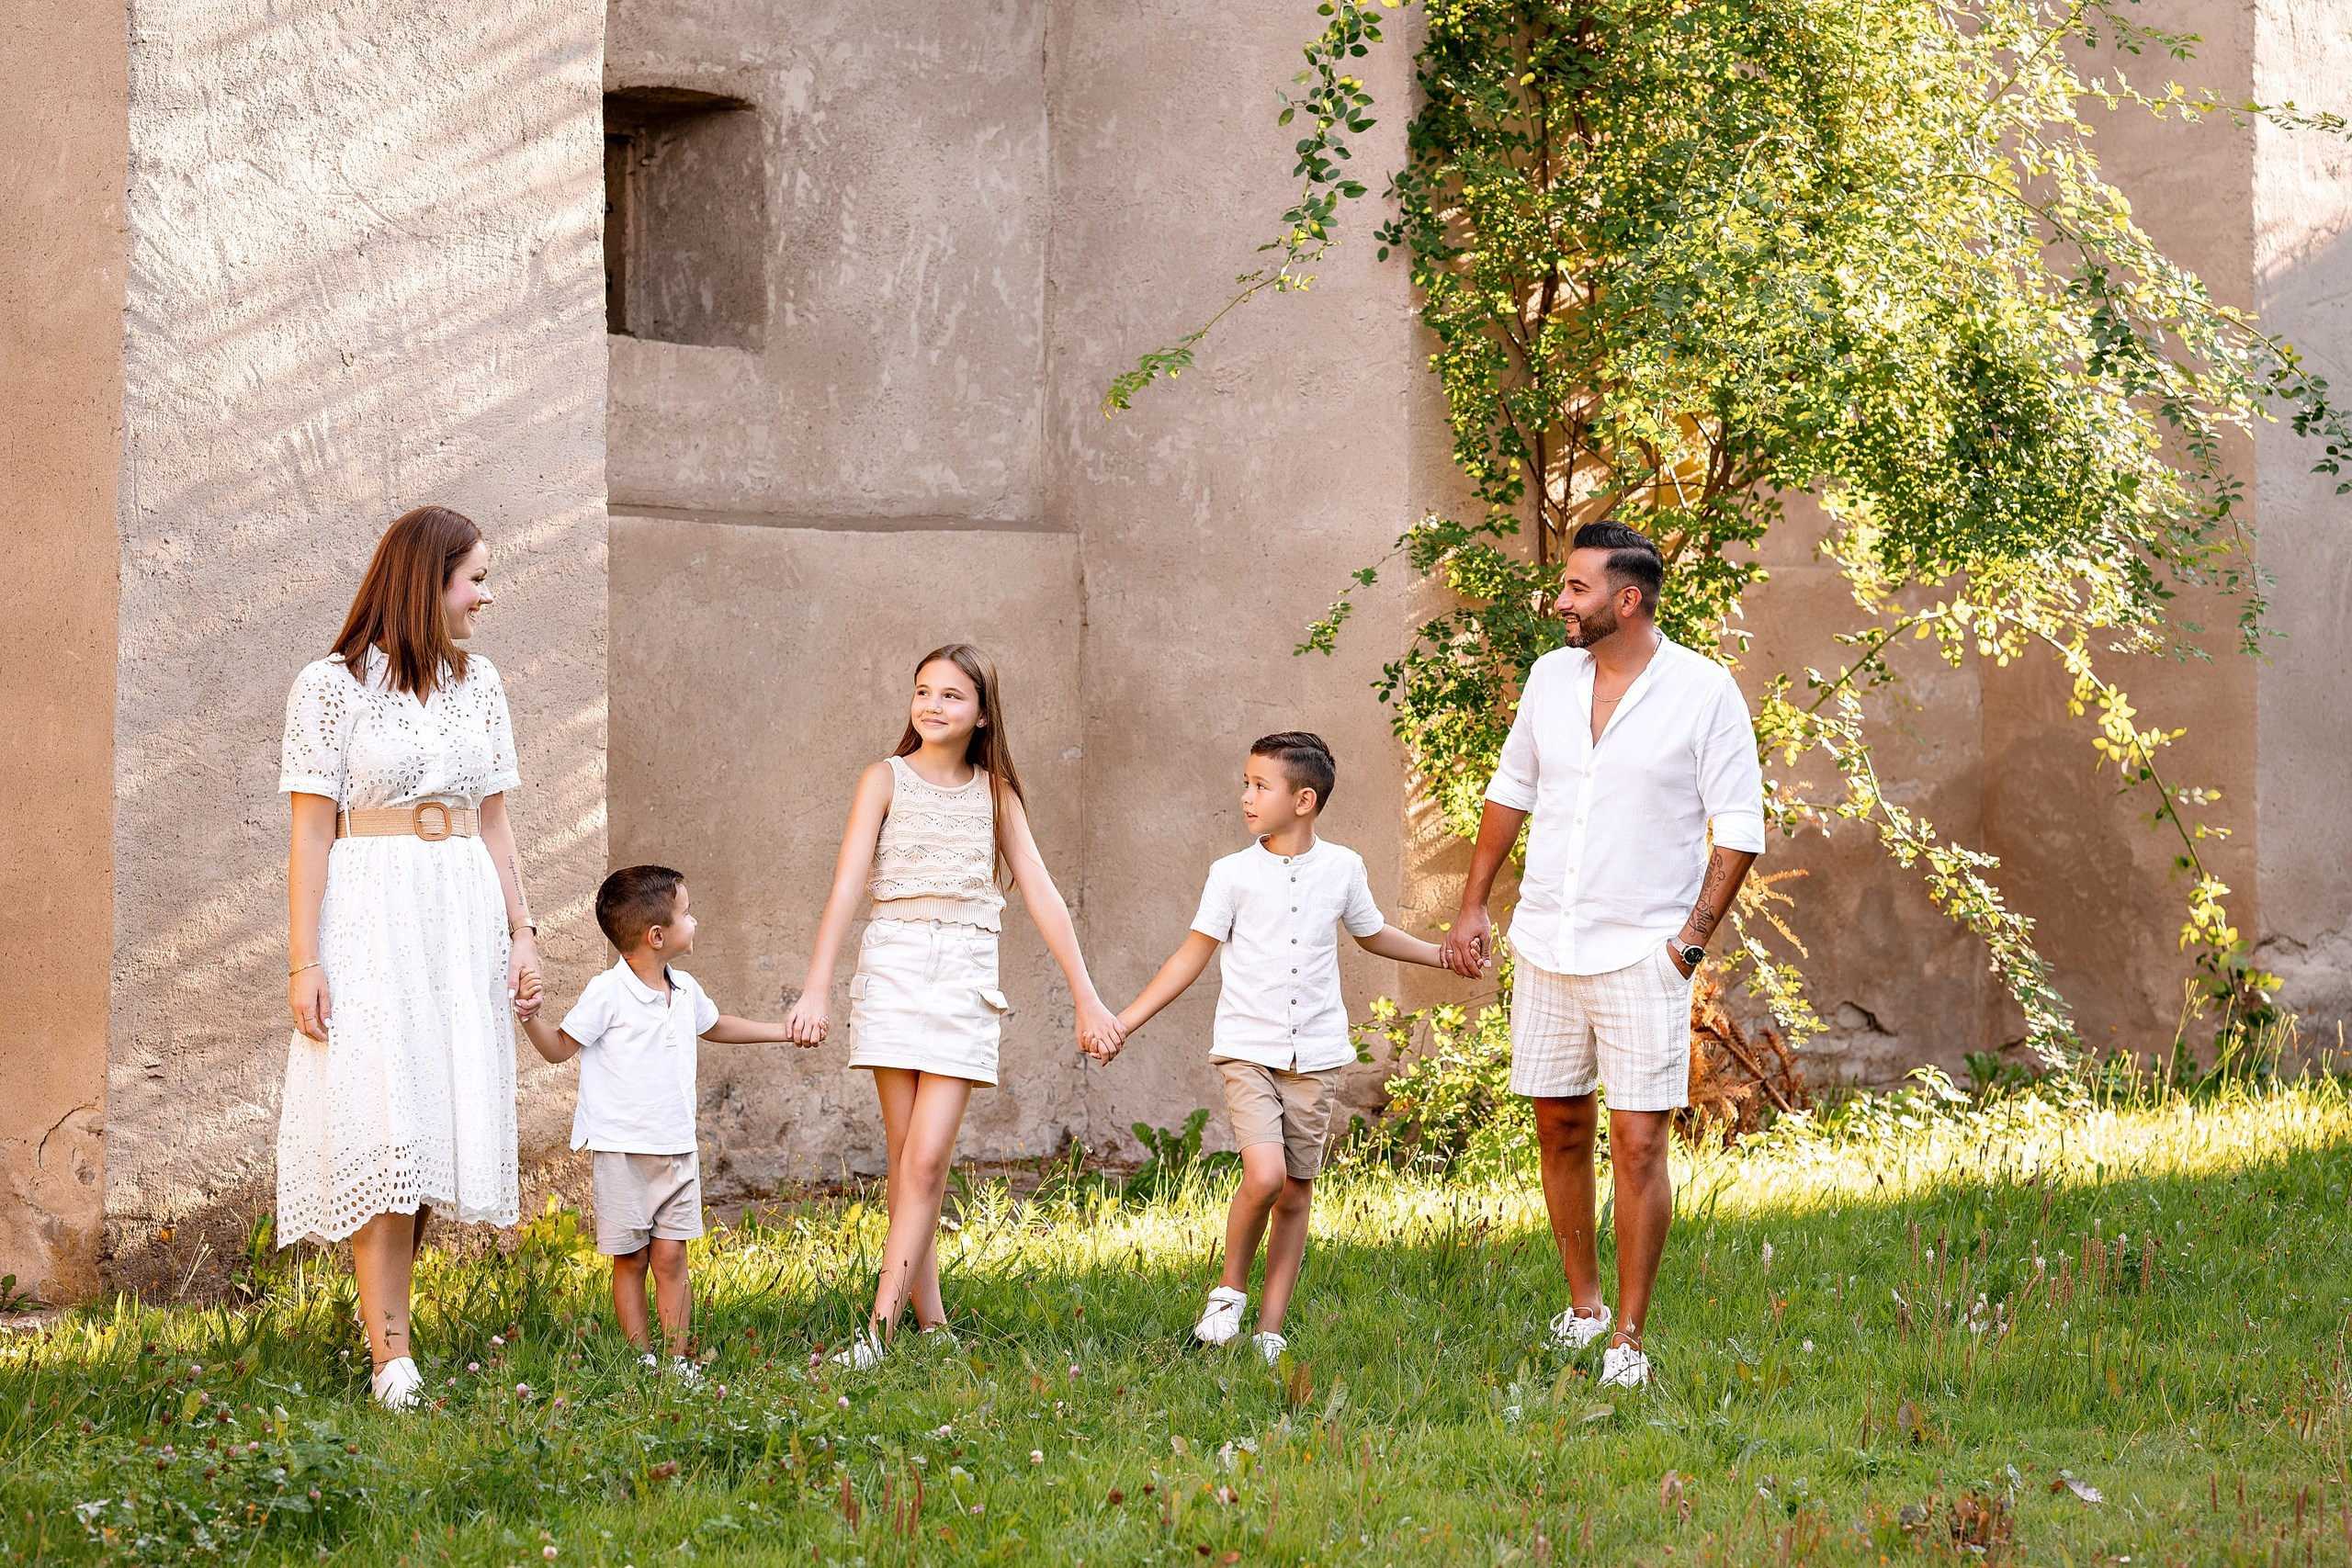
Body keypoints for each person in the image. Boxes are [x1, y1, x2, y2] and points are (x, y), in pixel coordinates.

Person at [1440, 521, 1765, 1391]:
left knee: (1637, 1143)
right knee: (1559, 1125)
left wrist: (1688, 943)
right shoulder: (1552, 678)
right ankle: (1581, 1309)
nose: (1560, 602)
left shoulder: (1703, 691)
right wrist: (1474, 902)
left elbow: (1737, 830)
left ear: (1628, 599)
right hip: (1547, 939)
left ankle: (1629, 1334)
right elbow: (1511, 790)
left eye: (1576, 588)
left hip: (1642, 952)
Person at [784, 644, 1125, 1368]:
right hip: (893, 966)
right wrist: (816, 984)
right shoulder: (882, 779)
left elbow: (1041, 892)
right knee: (909, 1158)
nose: (932, 706)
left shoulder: (996, 793)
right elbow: (846, 886)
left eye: (951, 696)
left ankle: (876, 1334)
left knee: (929, 1159)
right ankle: (931, 1324)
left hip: (965, 975)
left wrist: (1085, 995)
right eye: (922, 692)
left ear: (980, 712)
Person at [278, 504, 542, 1411]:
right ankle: (390, 1356)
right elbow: (310, 837)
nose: (487, 593)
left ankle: (395, 1334)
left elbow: (497, 822)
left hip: (460, 908)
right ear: (426, 584)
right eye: (474, 577)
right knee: (387, 1118)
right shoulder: (331, 686)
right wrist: (302, 960)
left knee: (431, 1126)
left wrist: (521, 931)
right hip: (372, 911)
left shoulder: (482, 683)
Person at [1102, 732, 1449, 1365]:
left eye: (1261, 785)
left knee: (1295, 1189)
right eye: (1247, 782)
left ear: (1304, 799)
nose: (1246, 796)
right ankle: (1228, 1292)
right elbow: (1190, 956)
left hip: (1315, 1055)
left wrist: (1441, 953)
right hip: (1246, 1049)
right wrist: (1124, 1022)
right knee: (1262, 1176)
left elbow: (1372, 934)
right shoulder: (1230, 874)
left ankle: (1270, 1328)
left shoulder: (1343, 867)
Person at [513, 866, 792, 1379]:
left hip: (677, 1150)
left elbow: (716, 1026)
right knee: (633, 1260)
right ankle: (641, 1361)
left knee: (671, 1257)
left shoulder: (684, 989)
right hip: (622, 1153)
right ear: (657, 936)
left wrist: (784, 1031)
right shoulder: (607, 993)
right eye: (686, 912)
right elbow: (557, 1050)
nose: (695, 920)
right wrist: (530, 1017)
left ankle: (678, 1360)